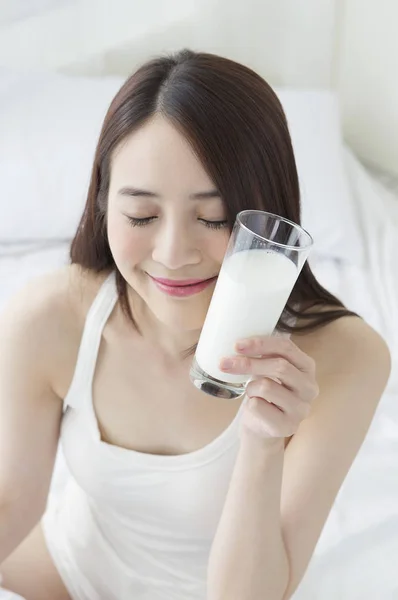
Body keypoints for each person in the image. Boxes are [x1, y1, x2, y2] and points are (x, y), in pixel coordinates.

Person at [0, 50, 391, 600]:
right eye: (141, 216)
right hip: (64, 572)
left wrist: (261, 441)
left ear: (271, 216)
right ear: (103, 204)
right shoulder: (49, 316)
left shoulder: (346, 357)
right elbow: (14, 500)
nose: (174, 253)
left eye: (214, 218)